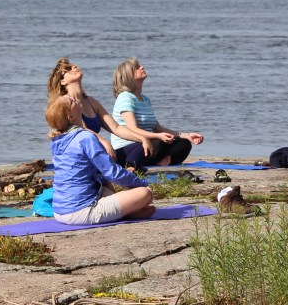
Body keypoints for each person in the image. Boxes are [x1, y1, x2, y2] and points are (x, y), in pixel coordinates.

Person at [46, 94, 154, 225]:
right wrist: (142, 184)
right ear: (71, 116)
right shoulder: (85, 137)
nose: (73, 98)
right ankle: (128, 212)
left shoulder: (57, 140)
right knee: (144, 194)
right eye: (71, 101)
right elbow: (112, 172)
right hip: (80, 211)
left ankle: (128, 211)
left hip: (59, 211)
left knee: (104, 187)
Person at [110, 58, 204, 168]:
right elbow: (133, 129)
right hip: (127, 148)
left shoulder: (145, 99)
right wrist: (157, 136)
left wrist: (186, 136)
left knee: (184, 144)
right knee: (156, 143)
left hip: (147, 143)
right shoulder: (125, 97)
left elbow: (158, 128)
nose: (142, 67)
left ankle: (154, 162)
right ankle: (146, 163)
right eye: (137, 68)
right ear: (128, 76)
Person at [46, 58, 144, 160]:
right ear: (62, 81)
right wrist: (104, 142)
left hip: (98, 152)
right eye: (68, 69)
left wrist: (141, 138)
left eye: (73, 66)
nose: (74, 67)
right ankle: (127, 171)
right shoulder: (65, 103)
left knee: (143, 146)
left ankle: (129, 169)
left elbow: (116, 128)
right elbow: (81, 129)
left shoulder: (91, 102)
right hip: (82, 155)